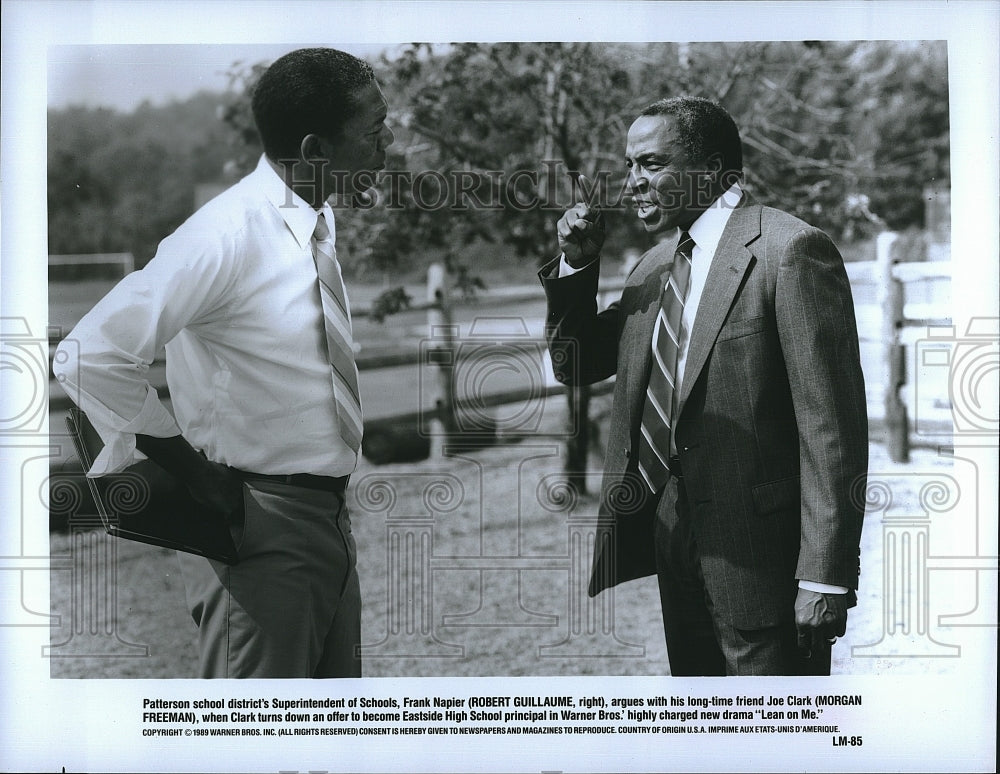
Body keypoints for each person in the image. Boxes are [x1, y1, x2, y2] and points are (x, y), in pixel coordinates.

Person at [54, 47, 394, 678]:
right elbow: (89, 352)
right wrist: (189, 469)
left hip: (326, 520)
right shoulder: (226, 235)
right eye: (374, 131)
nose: (388, 145)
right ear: (316, 149)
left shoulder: (312, 224)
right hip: (257, 528)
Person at [540, 96, 867, 676]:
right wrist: (575, 269)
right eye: (630, 165)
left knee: (774, 742)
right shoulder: (654, 266)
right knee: (703, 734)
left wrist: (826, 573)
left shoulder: (788, 251)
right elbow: (576, 364)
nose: (632, 183)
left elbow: (831, 430)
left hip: (762, 555)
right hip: (673, 540)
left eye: (652, 164)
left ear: (712, 172)